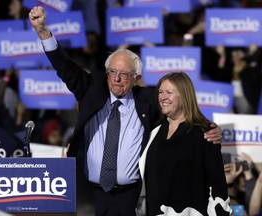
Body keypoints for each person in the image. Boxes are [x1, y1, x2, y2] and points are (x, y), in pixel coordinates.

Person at [29, 6, 223, 216]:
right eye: (112, 72)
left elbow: (181, 110)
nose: (116, 79)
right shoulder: (92, 90)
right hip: (88, 195)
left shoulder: (149, 100)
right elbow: (65, 67)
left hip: (132, 197)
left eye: (124, 74)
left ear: (136, 78)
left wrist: (209, 128)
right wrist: (43, 32)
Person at [137, 72, 231, 216]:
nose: (163, 97)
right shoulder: (155, 130)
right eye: (161, 92)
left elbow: (217, 183)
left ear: (185, 95)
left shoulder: (205, 132)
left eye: (169, 92)